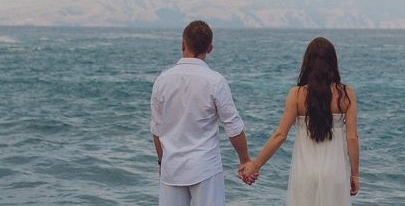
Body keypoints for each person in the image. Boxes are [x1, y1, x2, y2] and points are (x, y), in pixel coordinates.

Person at [243, 37, 360, 205]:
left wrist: (255, 166)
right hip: (335, 172)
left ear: (308, 63)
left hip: (305, 173)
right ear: (333, 62)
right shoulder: (347, 94)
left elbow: (280, 135)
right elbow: (352, 138)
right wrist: (355, 174)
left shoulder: (296, 95)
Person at [150, 20, 254, 206]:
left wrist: (161, 162)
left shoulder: (162, 81)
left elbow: (157, 129)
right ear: (210, 48)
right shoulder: (215, 81)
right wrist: (245, 160)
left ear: (183, 43)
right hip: (204, 167)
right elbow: (233, 126)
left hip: (172, 167)